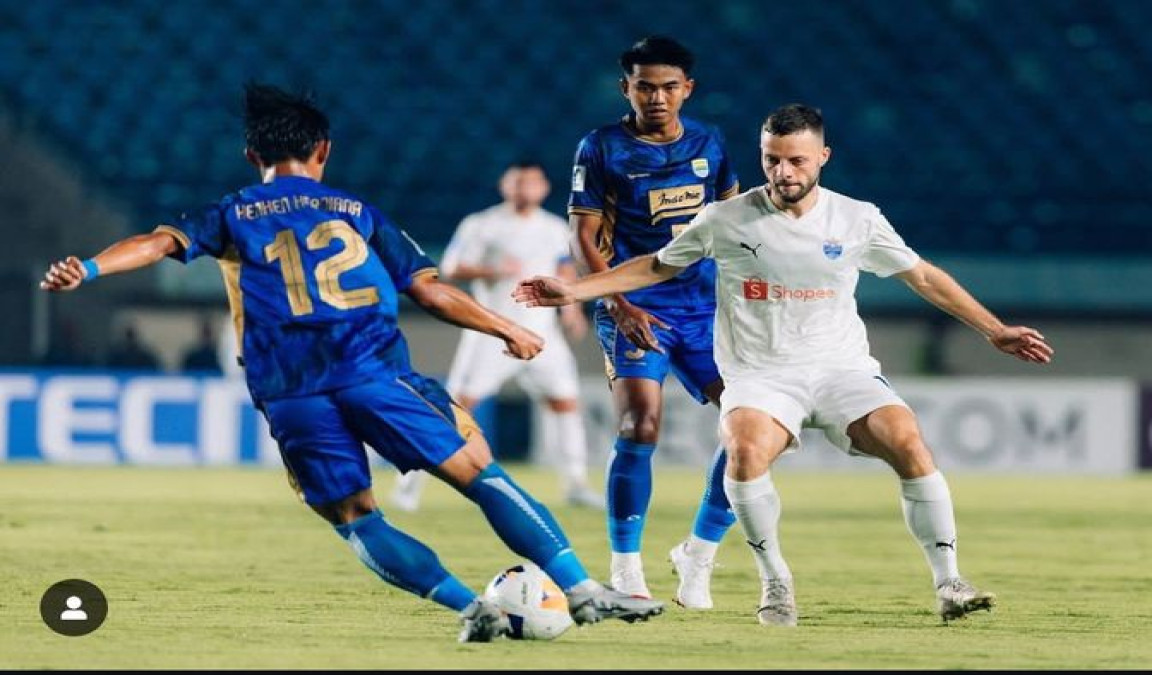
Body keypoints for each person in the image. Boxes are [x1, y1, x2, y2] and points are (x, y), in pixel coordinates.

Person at [39, 83, 663, 642]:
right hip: (375, 373)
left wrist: (89, 268)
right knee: (481, 475)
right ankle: (583, 590)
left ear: (252, 157)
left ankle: (468, 607)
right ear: (324, 152)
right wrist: (508, 329)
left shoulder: (229, 213)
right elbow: (430, 291)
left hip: (291, 394)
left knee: (356, 520)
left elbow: (157, 243)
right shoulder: (356, 212)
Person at [517, 103, 1055, 626]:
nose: (783, 171)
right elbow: (653, 267)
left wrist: (995, 329)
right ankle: (775, 580)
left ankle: (950, 582)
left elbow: (924, 277)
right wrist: (574, 289)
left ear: (824, 156)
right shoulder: (725, 219)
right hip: (762, 376)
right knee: (744, 448)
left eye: (796, 160)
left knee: (909, 441)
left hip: (842, 371)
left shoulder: (857, 218)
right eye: (772, 159)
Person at [568, 35, 740, 605]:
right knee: (639, 426)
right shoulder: (601, 148)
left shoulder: (710, 143)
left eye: (668, 86)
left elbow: (734, 226)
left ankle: (699, 552)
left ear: (687, 89)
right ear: (627, 88)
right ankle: (626, 570)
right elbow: (582, 236)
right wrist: (619, 302)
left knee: (755, 431)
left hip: (706, 310)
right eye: (645, 86)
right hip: (637, 310)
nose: (657, 96)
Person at [389, 161, 605, 512]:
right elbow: (451, 267)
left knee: (565, 404)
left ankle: (576, 484)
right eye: (518, 182)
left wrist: (571, 310)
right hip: (490, 333)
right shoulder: (483, 224)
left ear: (544, 187)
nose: (525, 189)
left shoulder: (553, 227)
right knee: (455, 409)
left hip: (541, 334)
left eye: (532, 182)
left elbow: (563, 268)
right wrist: (492, 270)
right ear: (506, 185)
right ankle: (409, 486)